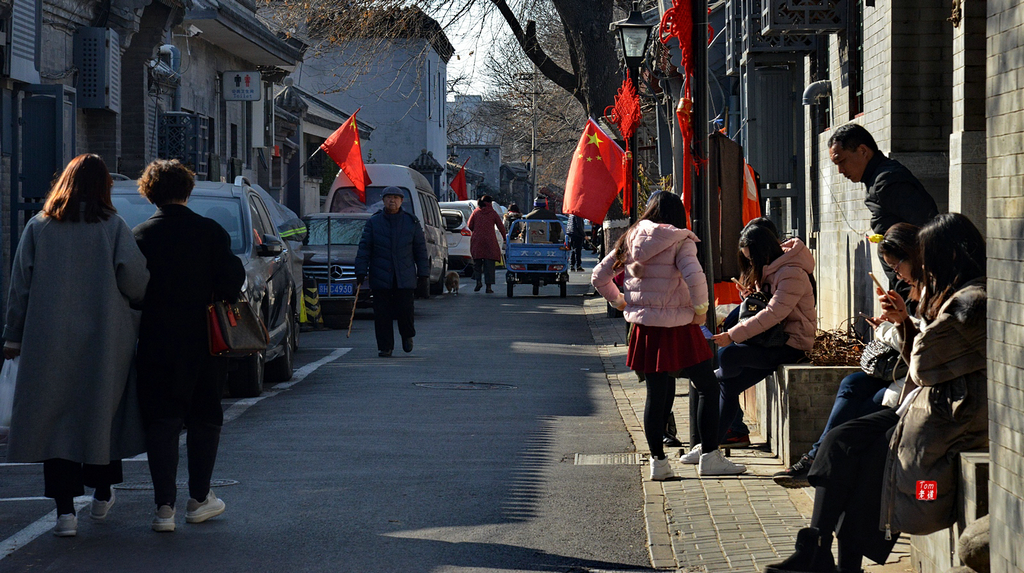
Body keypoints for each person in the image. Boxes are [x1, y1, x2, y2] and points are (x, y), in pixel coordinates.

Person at [766, 213, 987, 573]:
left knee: (868, 469)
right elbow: (923, 362)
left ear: (949, 257)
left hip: (947, 420)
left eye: (923, 259)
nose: (916, 270)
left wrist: (911, 321)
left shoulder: (969, 303)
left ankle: (836, 561)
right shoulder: (952, 298)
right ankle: (816, 548)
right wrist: (905, 322)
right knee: (838, 441)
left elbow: (922, 367)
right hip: (921, 407)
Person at [2, 154, 149, 537]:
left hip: (47, 342)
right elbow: (136, 283)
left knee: (56, 426)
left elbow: (20, 288)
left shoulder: (39, 227)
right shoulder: (113, 228)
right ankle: (102, 494)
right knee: (101, 418)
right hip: (105, 342)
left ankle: (65, 513)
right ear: (104, 187)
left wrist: (13, 337)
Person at [592, 192, 745, 479]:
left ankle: (658, 463)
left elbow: (599, 276)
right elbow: (696, 278)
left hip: (645, 328)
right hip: (679, 326)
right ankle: (709, 454)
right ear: (678, 215)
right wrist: (701, 311)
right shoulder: (680, 239)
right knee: (708, 386)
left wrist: (620, 301)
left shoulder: (631, 237)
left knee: (656, 394)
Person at [132, 159, 246, 532]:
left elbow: (131, 293)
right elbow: (232, 283)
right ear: (188, 190)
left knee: (162, 422)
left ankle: (163, 508)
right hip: (204, 341)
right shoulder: (210, 232)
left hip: (156, 342)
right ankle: (199, 498)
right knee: (204, 418)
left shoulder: (140, 237)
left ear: (149, 192)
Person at [772, 223, 922, 489]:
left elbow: (918, 344)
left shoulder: (929, 292)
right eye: (890, 268)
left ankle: (819, 464)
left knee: (855, 421)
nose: (895, 274)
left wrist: (892, 325)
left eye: (896, 266)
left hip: (912, 380)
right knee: (850, 384)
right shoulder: (913, 286)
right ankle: (818, 460)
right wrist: (892, 323)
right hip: (899, 369)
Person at [703, 225, 816, 450]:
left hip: (792, 344)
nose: (750, 264)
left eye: (751, 259)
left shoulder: (792, 272)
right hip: (771, 342)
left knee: (727, 356)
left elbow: (774, 313)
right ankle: (710, 448)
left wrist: (732, 336)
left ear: (763, 252)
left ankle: (710, 445)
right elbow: (764, 306)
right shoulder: (771, 269)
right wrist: (750, 296)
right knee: (730, 384)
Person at [827, 123, 938, 290]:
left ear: (863, 151)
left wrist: (919, 286)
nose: (840, 170)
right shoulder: (878, 180)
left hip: (916, 283)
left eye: (841, 161)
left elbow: (928, 230)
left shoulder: (888, 181)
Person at [355, 186, 429, 357]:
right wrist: (360, 270)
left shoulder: (411, 222)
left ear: (402, 201)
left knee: (405, 311)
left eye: (396, 197)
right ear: (383, 200)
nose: (392, 201)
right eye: (389, 197)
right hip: (381, 276)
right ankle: (385, 346)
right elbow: (364, 248)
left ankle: (407, 335)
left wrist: (423, 274)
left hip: (404, 276)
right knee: (382, 314)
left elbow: (420, 250)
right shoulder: (374, 222)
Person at [467, 195, 506, 293]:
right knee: (489, 265)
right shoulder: (493, 213)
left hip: (477, 240)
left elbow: (469, 225)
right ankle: (488, 287)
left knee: (477, 263)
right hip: (490, 241)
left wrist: (476, 231)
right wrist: (505, 238)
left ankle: (478, 282)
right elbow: (501, 226)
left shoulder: (476, 212)